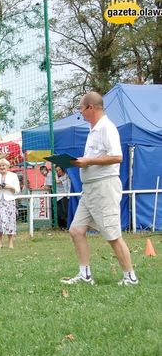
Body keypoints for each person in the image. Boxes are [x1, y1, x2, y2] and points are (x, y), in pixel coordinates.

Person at [62, 91, 138, 286]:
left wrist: (88, 160)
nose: (81, 113)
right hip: (90, 189)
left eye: (81, 109)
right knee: (76, 230)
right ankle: (85, 275)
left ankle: (130, 277)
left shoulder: (107, 128)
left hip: (105, 187)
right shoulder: (93, 130)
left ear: (91, 107)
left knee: (112, 235)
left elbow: (117, 157)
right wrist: (82, 162)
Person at [0, 158, 20, 249]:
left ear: (8, 166)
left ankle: (10, 243)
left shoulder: (13, 175)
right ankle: (0, 243)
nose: (2, 167)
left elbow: (17, 190)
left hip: (9, 201)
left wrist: (9, 187)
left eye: (3, 165)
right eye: (0, 166)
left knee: (10, 221)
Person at [55, 166, 70, 230]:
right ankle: (63, 226)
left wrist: (55, 175)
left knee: (65, 211)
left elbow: (58, 181)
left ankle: (67, 225)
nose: (58, 172)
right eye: (57, 171)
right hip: (62, 196)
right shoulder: (61, 177)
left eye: (59, 170)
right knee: (61, 212)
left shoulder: (67, 175)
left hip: (66, 195)